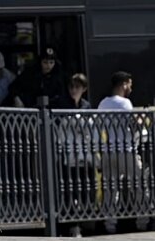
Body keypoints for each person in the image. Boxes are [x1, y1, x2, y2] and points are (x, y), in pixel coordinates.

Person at [97, 71, 144, 234]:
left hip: (109, 151)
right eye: (129, 84)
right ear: (123, 84)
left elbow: (99, 128)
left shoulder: (103, 103)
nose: (131, 87)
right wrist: (139, 120)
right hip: (126, 150)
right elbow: (132, 125)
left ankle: (110, 225)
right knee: (138, 185)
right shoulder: (125, 103)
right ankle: (142, 221)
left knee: (110, 190)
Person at [52, 73, 95, 237]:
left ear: (83, 89)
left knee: (85, 190)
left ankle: (85, 223)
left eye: (77, 87)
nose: (74, 90)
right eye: (71, 87)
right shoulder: (62, 104)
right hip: (67, 155)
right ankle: (71, 226)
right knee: (69, 192)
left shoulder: (86, 105)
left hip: (84, 155)